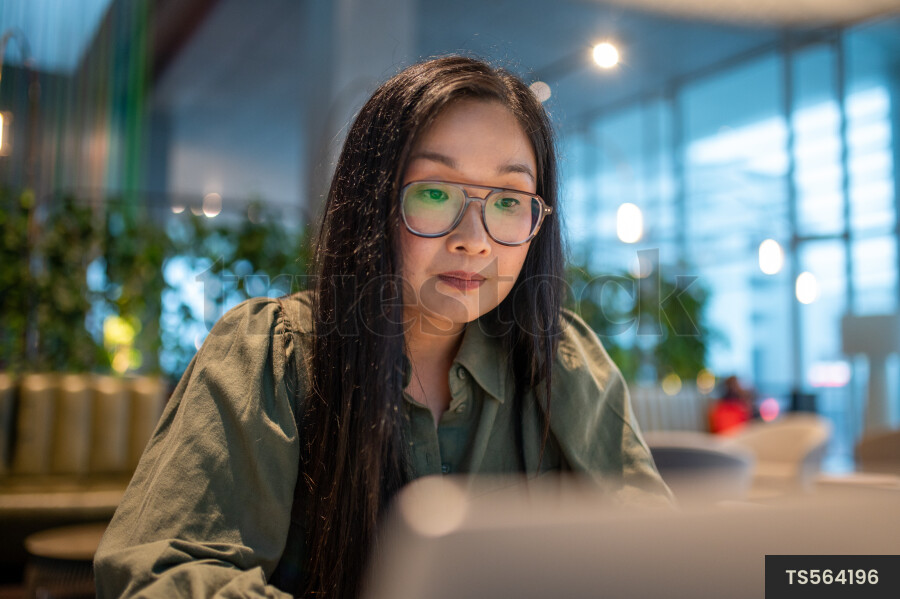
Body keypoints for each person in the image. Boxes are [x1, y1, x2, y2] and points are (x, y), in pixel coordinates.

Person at [94, 56, 671, 599]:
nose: (474, 237)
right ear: (372, 204)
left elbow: (663, 557)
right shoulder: (274, 353)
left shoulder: (560, 357)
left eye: (508, 200)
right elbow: (165, 577)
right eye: (436, 192)